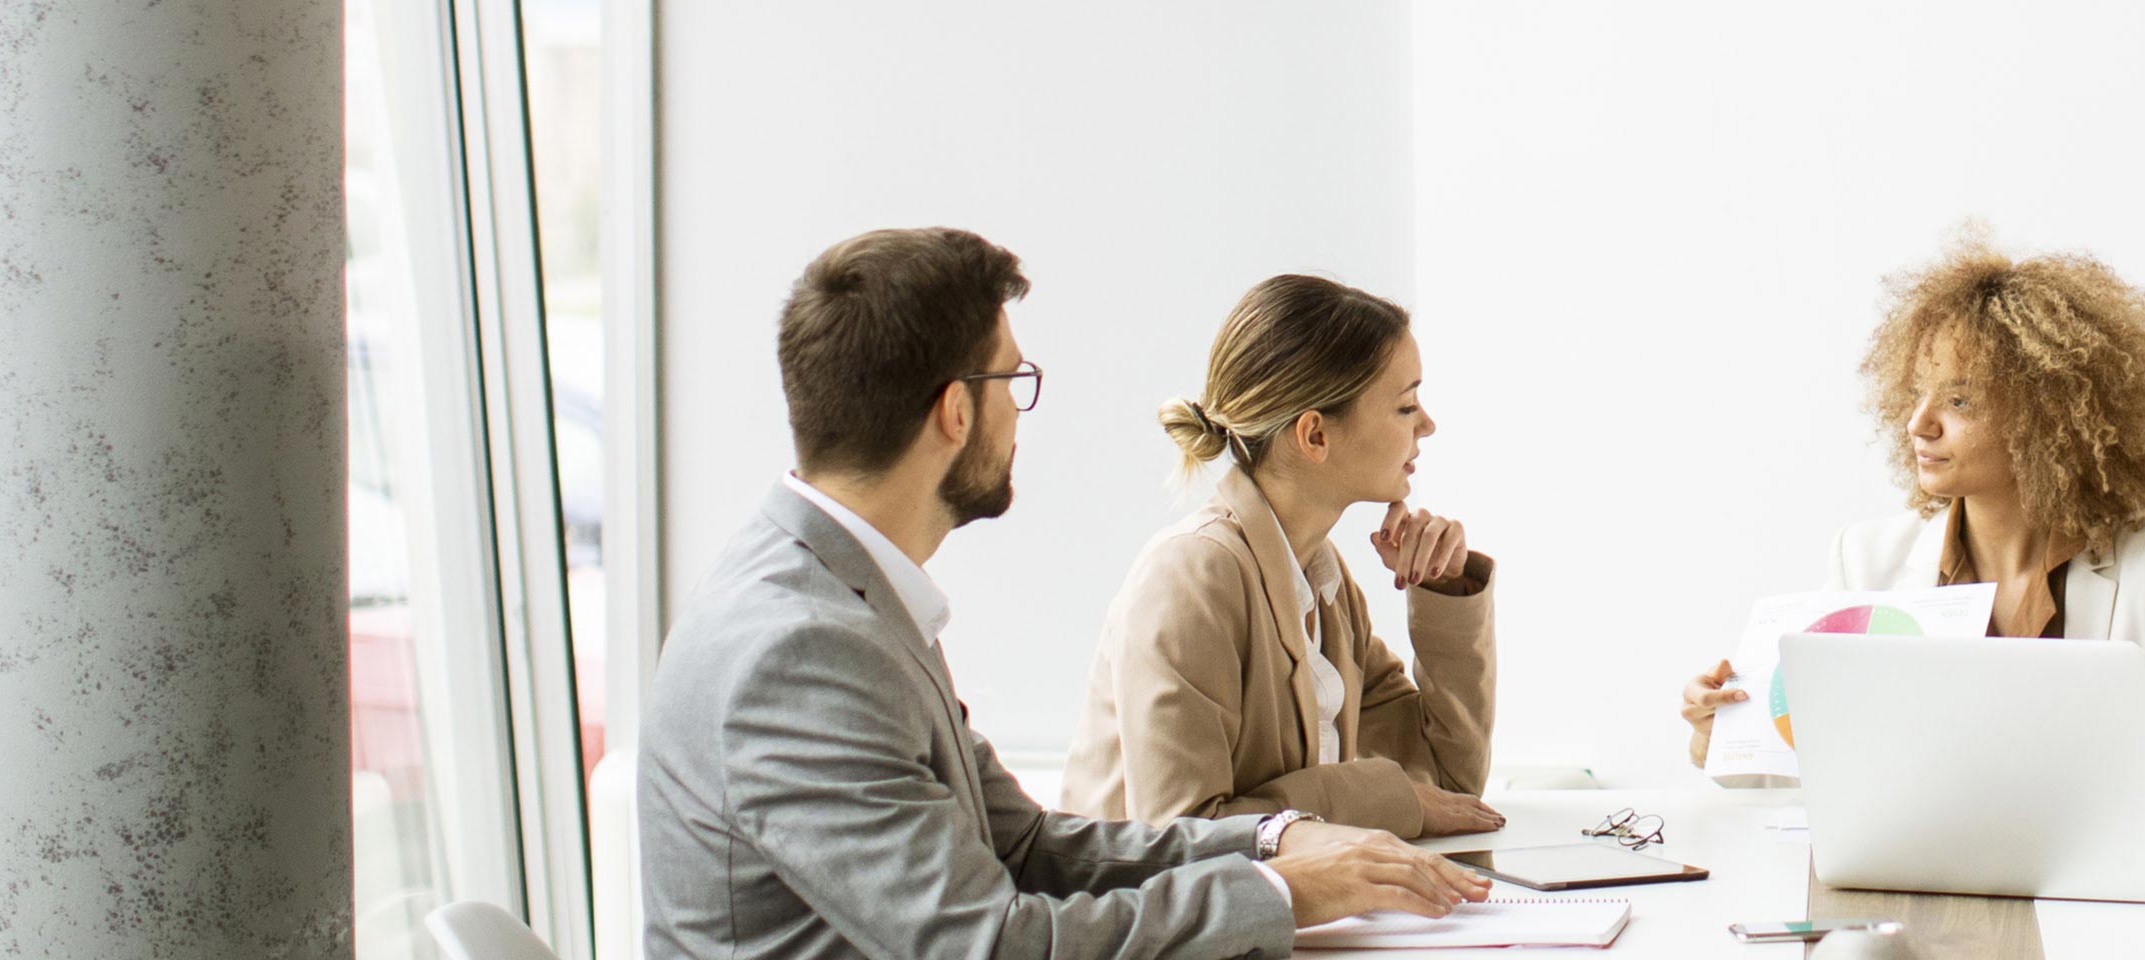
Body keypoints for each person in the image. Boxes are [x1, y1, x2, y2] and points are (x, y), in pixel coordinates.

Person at [637, 229, 1487, 960]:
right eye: (1015, 381)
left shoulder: (848, 597)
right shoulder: (799, 649)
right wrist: (1284, 892)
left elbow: (1029, 844)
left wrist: (1271, 840)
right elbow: (991, 943)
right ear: (954, 414)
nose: (1023, 412)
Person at [1674, 230, 2145, 789]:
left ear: (2050, 419)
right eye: (1917, 393)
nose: (1918, 423)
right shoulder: (1866, 559)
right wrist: (1718, 735)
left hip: (2092, 875)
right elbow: (1813, 753)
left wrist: (2025, 714)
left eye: (1960, 400)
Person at [1061, 275, 1505, 839]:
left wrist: (1445, 589)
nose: (1428, 425)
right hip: (1147, 920)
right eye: (1406, 406)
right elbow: (1183, 838)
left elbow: (1447, 783)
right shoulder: (1191, 577)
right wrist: (1375, 799)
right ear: (1315, 435)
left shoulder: (1322, 578)